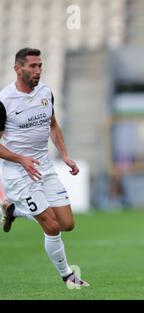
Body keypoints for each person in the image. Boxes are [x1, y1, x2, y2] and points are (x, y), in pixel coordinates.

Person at [0, 48, 89, 288]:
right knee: (50, 225)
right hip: (18, 174)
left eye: (40, 66)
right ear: (17, 68)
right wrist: (21, 159)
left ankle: (13, 211)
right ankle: (68, 276)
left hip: (45, 168)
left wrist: (66, 155)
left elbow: (53, 125)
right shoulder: (4, 101)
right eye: (32, 66)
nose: (38, 71)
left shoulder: (46, 92)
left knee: (66, 223)